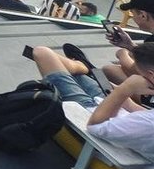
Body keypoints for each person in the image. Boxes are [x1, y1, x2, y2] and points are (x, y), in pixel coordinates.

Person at [25, 43, 154, 162]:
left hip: (90, 111)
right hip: (115, 106)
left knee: (41, 52)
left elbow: (94, 126)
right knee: (49, 57)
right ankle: (81, 67)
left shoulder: (148, 124)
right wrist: (126, 101)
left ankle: (81, 66)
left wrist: (124, 90)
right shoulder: (147, 122)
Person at [101, 0, 154, 86]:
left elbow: (136, 70)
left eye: (132, 13)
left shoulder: (151, 42)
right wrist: (130, 46)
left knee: (109, 70)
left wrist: (122, 54)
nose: (133, 17)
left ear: (143, 15)